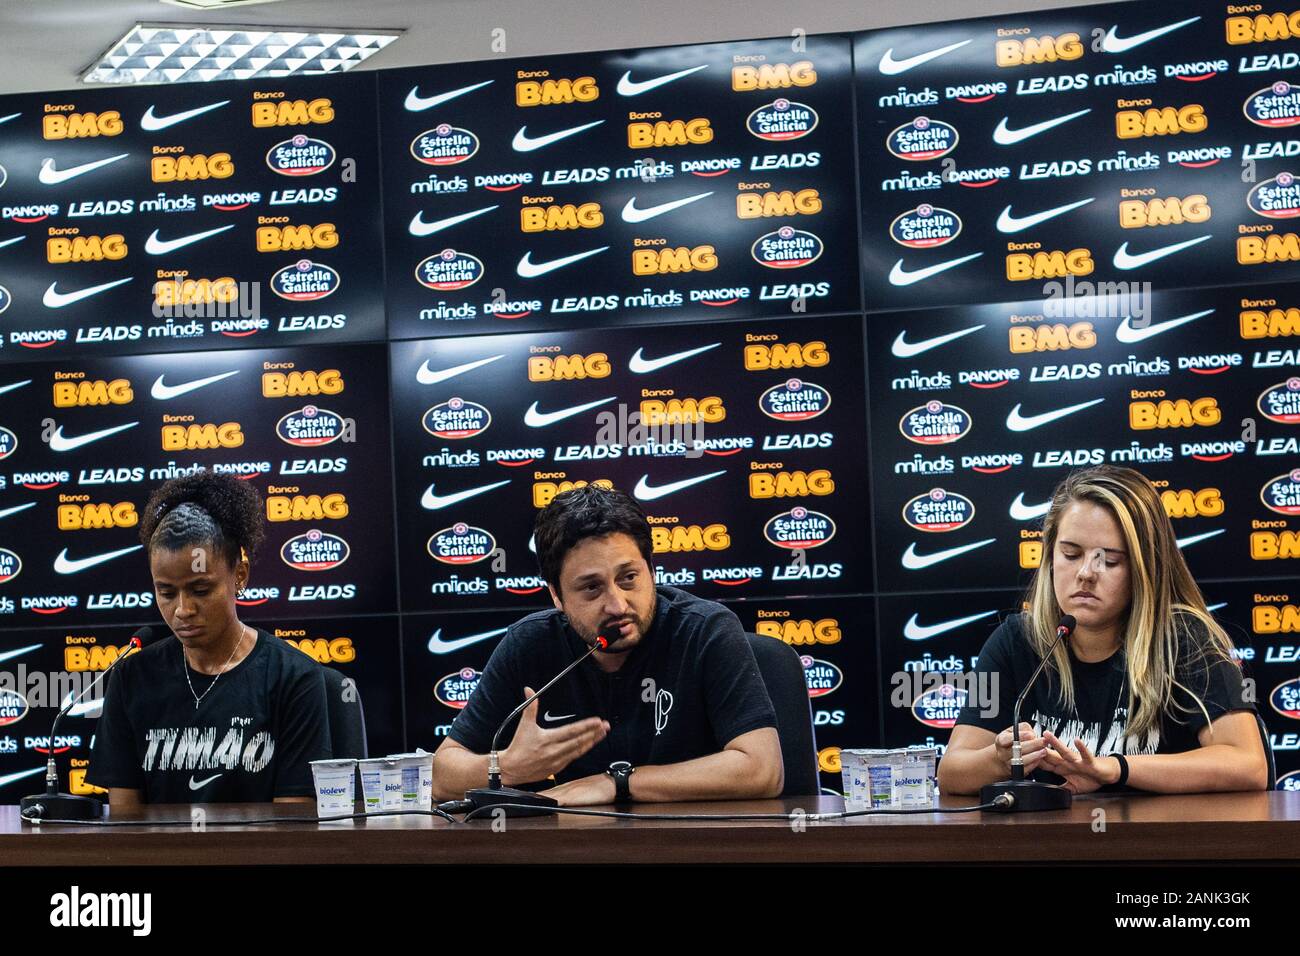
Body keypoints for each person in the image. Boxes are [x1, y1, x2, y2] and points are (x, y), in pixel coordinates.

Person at [430, 484, 783, 806]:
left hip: (700, 849)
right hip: (579, 849)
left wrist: (617, 783)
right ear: (557, 596)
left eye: (629, 578)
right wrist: (508, 766)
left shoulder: (705, 630)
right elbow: (441, 776)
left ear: (652, 572)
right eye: (591, 588)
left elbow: (762, 770)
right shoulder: (531, 643)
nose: (617, 605)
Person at [939, 464, 1268, 796]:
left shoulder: (1185, 640)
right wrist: (1000, 759)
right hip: (1048, 846)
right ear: (1050, 557)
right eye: (1071, 554)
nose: (1086, 573)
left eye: (1110, 561)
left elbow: (1248, 765)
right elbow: (952, 772)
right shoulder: (1015, 641)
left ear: (1144, 568)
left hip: (1160, 844)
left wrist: (1114, 768)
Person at [86, 470, 333, 807]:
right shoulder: (131, 678)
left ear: (239, 575)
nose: (183, 609)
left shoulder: (294, 678)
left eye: (200, 589)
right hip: (160, 861)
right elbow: (126, 824)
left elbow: (292, 829)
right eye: (166, 592)